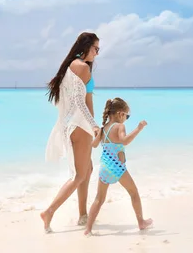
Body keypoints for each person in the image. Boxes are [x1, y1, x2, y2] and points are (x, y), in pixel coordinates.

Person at [41, 32, 101, 233]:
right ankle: (49, 211)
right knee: (78, 175)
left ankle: (83, 215)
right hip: (80, 125)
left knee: (87, 170)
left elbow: (88, 100)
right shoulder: (81, 67)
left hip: (78, 125)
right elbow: (78, 101)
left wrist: (95, 125)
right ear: (86, 46)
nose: (97, 53)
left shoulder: (74, 67)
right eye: (95, 49)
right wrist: (93, 125)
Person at [84, 97, 153, 236]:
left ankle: (88, 229)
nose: (126, 118)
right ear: (120, 113)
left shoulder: (104, 128)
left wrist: (98, 133)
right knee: (134, 193)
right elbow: (125, 141)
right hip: (117, 168)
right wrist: (139, 129)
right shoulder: (120, 126)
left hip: (104, 167)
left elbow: (94, 145)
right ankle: (141, 222)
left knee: (99, 199)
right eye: (127, 115)